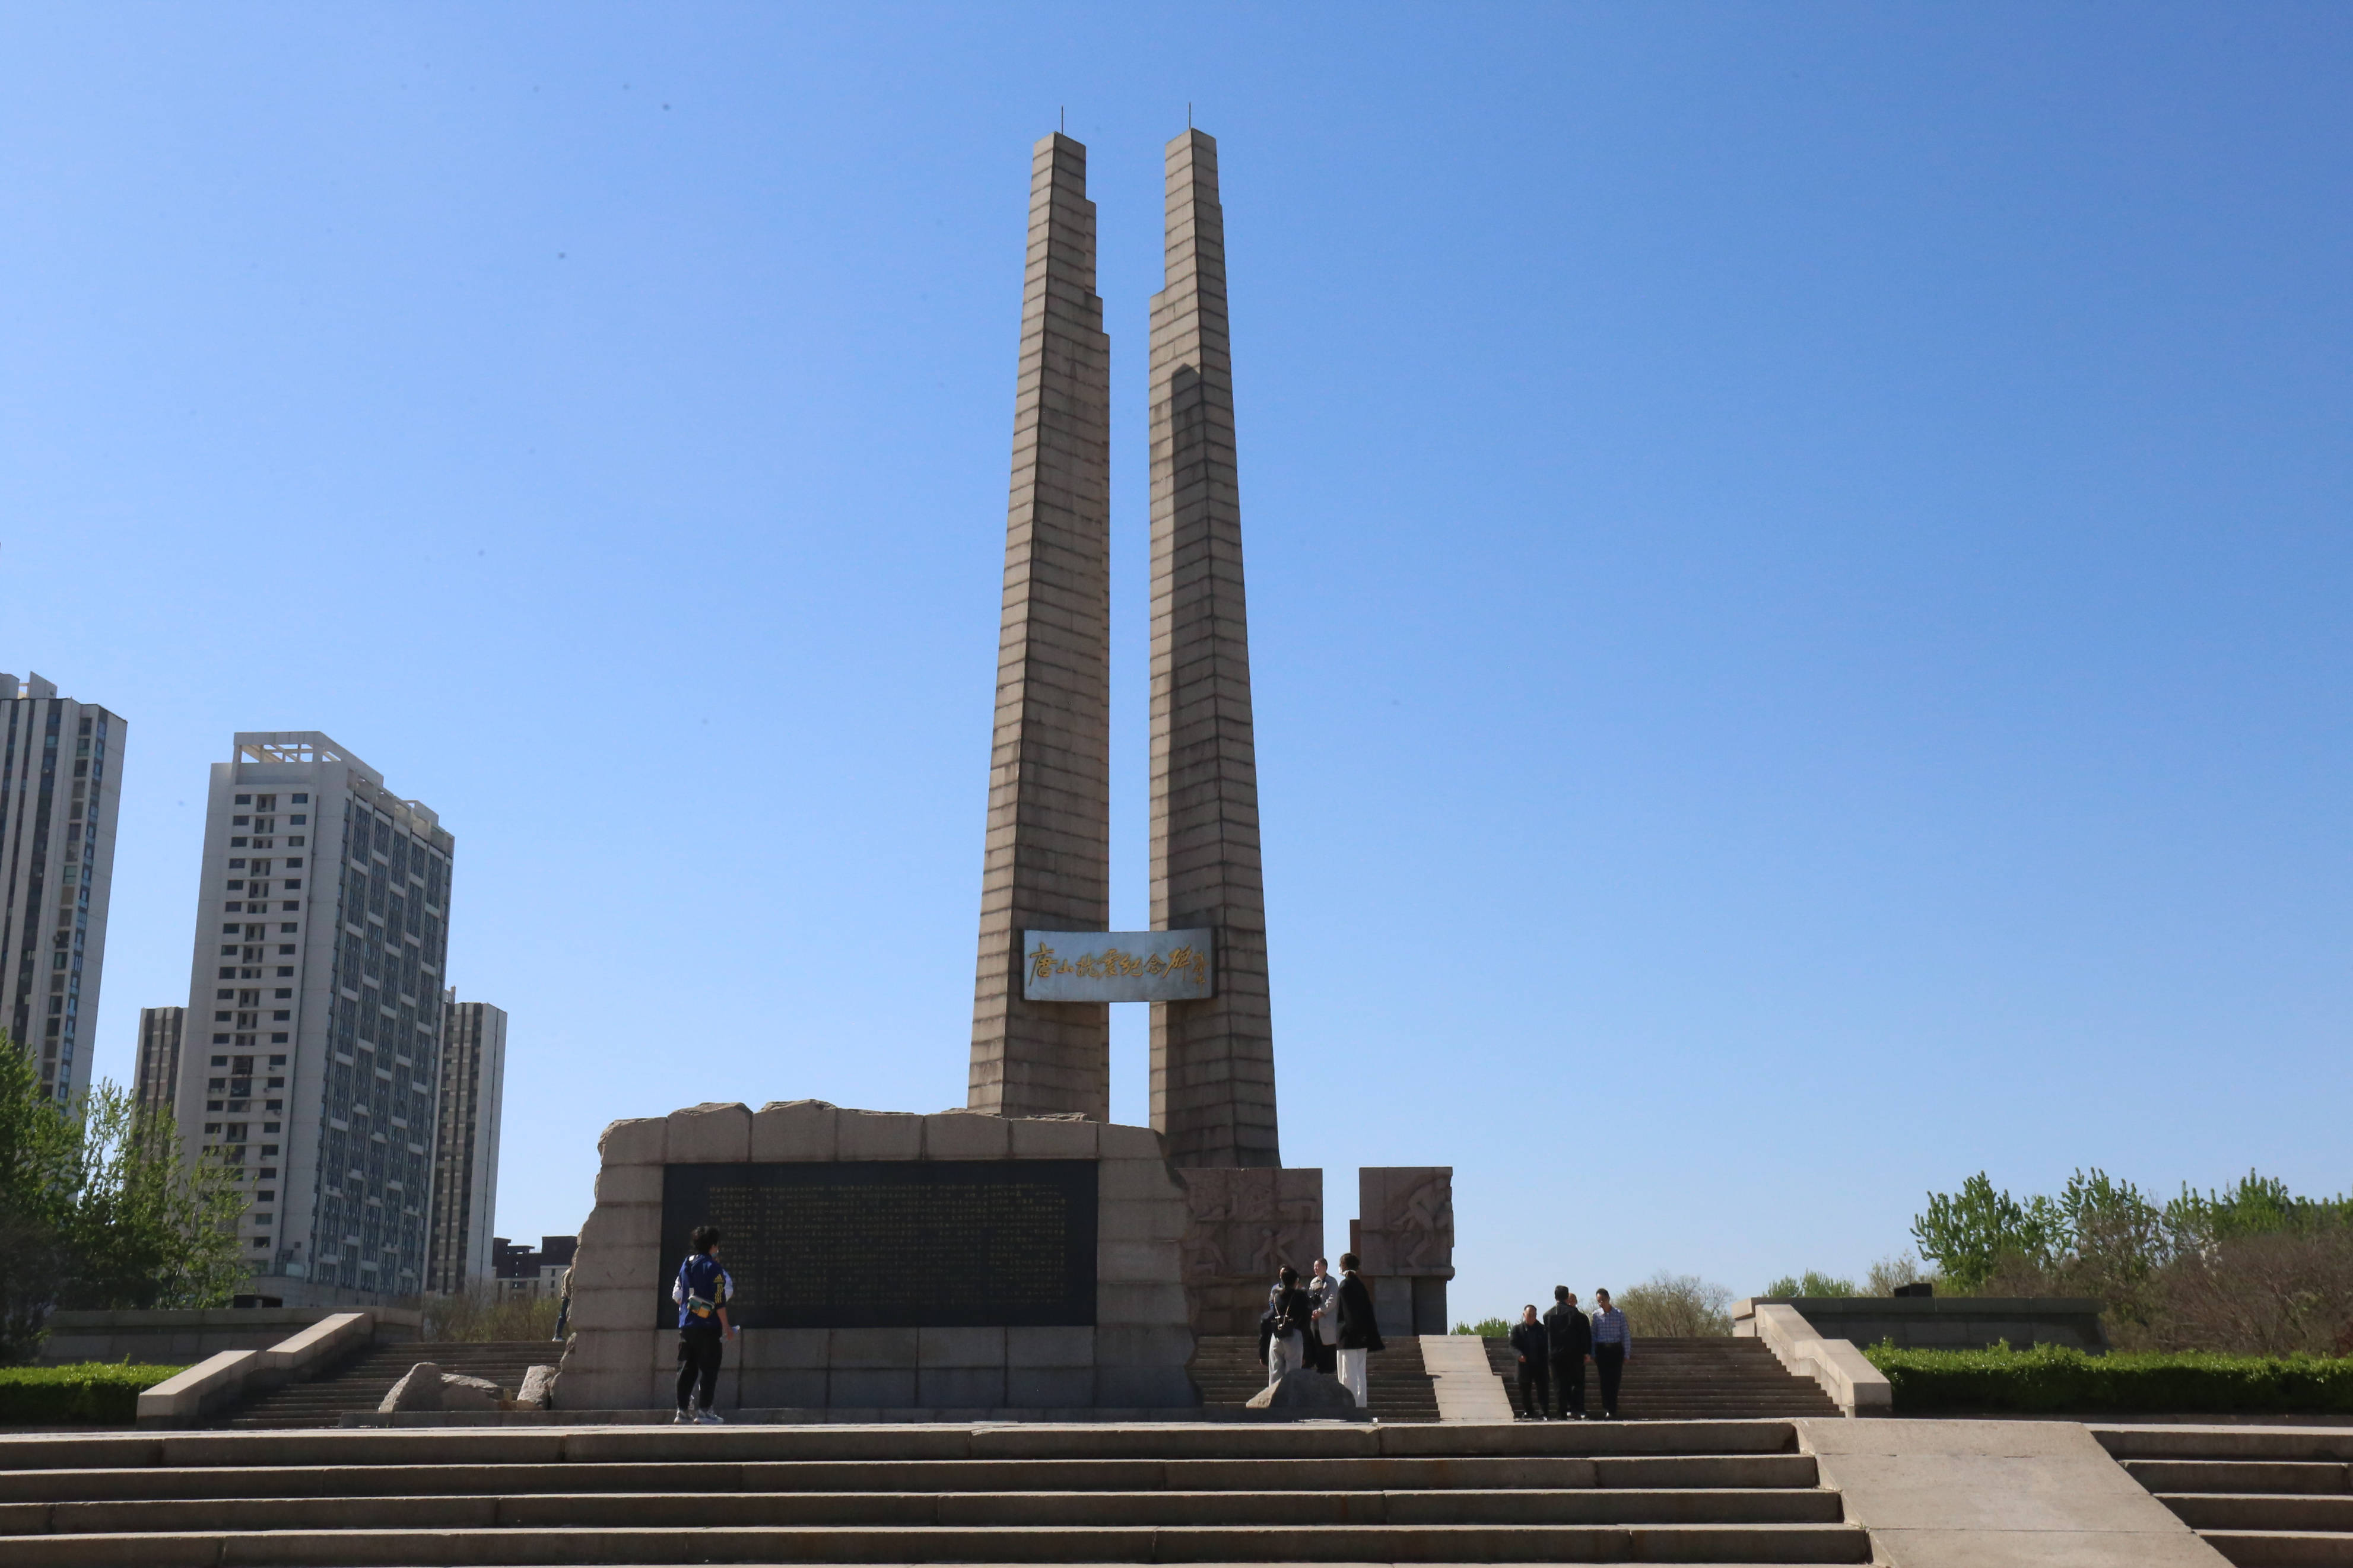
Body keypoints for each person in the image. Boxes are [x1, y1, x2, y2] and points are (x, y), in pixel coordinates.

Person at [671, 1224, 736, 1424]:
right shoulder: (715, 1269)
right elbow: (719, 1301)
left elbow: (678, 1293)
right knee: (709, 1369)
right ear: (714, 1245)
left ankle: (682, 1411)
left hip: (687, 1325)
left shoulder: (687, 1264)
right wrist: (726, 1327)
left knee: (686, 1368)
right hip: (708, 1326)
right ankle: (705, 1412)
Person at [1332, 1251, 1384, 1409]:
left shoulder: (1345, 1286)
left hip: (1348, 1338)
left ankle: (1349, 1406)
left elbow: (1347, 1314)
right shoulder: (1360, 1285)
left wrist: (1350, 1332)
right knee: (1360, 1373)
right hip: (1362, 1338)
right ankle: (1361, 1405)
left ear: (1344, 1266)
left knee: (1347, 1375)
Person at [1543, 1286, 1590, 1419]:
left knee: (1559, 1384)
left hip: (1555, 1355)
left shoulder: (1547, 1315)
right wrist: (1586, 1352)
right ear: (1565, 1297)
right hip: (1573, 1354)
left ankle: (1561, 1412)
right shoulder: (1574, 1314)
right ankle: (1575, 1409)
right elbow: (1580, 1335)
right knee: (1576, 1382)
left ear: (1555, 1297)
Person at [1263, 1265, 1310, 1386]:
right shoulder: (1301, 1296)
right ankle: (1291, 1403)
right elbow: (1306, 1322)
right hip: (1294, 1335)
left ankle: (1273, 1401)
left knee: (1274, 1375)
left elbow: (1268, 1317)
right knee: (1293, 1375)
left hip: (1277, 1336)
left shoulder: (1276, 1297)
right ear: (1296, 1281)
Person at [1589, 1286, 1631, 1419]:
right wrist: (1593, 1353)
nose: (1601, 1303)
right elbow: (1593, 1335)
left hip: (1616, 1350)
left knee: (1615, 1380)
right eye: (1599, 1301)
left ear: (1608, 1299)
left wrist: (1626, 1354)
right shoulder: (1596, 1315)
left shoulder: (1619, 1314)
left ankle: (1613, 1408)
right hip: (1602, 1350)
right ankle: (1607, 1408)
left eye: (1603, 1300)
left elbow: (1625, 1334)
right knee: (1604, 1381)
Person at [1507, 1305, 1550, 1420]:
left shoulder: (1543, 1329)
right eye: (1529, 1315)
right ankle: (1529, 1411)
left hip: (1540, 1364)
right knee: (1525, 1390)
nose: (1531, 1317)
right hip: (1524, 1365)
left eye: (1534, 1315)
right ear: (1524, 1315)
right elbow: (1512, 1345)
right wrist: (1519, 1355)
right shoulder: (1517, 1330)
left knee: (1543, 1390)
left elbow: (1548, 1345)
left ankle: (1544, 1412)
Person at [1303, 1258, 1341, 1374]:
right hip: (1315, 1321)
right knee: (1317, 1344)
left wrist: (1321, 1311)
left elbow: (1333, 1299)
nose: (1315, 1269)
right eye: (1314, 1266)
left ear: (1325, 1267)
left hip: (1327, 1319)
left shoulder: (1332, 1282)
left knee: (1328, 1345)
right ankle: (1320, 1367)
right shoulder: (1313, 1282)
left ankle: (1330, 1368)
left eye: (1318, 1266)